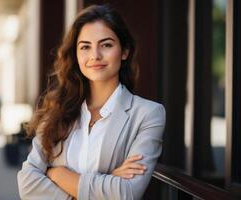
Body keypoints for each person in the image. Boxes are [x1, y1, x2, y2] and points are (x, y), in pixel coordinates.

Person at [17, 4, 166, 200]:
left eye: (106, 45)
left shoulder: (148, 114)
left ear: (124, 51)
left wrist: (57, 174)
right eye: (85, 47)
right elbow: (27, 183)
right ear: (76, 55)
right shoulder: (57, 110)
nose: (95, 55)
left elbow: (127, 193)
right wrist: (108, 181)